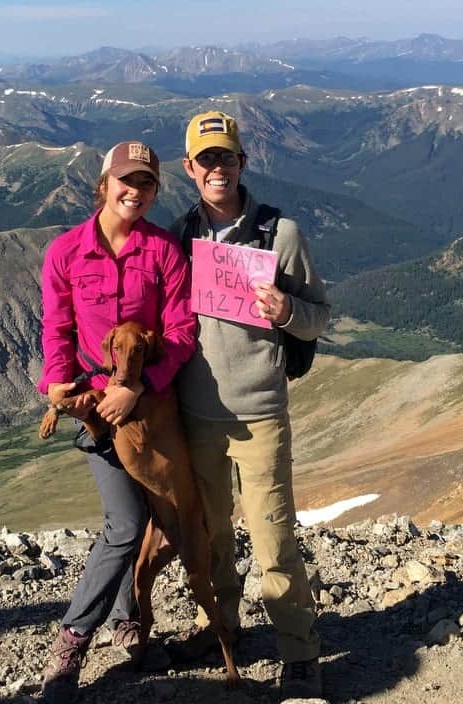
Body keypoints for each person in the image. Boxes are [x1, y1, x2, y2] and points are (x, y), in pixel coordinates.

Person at [167, 111, 330, 700]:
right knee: (210, 535)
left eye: (226, 158)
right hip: (196, 414)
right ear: (189, 169)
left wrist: (285, 312)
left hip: (261, 413)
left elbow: (318, 317)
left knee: (272, 537)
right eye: (206, 159)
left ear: (242, 163)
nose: (217, 168)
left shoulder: (279, 233)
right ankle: (222, 627)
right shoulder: (178, 236)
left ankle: (300, 651)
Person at [37, 141, 196, 702]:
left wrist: (138, 386)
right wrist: (59, 381)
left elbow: (180, 333)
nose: (136, 191)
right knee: (126, 524)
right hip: (97, 414)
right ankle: (73, 643)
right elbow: (57, 328)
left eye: (147, 184)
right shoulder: (65, 252)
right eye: (126, 181)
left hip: (154, 413)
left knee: (158, 522)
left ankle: (132, 624)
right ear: (103, 183)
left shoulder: (165, 252)